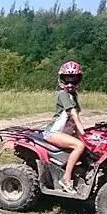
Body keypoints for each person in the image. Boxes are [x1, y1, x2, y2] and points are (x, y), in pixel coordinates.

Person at [42, 60, 87, 194]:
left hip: (64, 133)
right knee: (79, 146)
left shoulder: (73, 95)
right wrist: (83, 134)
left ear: (78, 81)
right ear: (61, 80)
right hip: (53, 132)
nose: (69, 85)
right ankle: (66, 180)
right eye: (66, 81)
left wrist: (84, 135)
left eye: (73, 81)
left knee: (88, 146)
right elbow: (73, 114)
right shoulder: (62, 94)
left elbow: (74, 120)